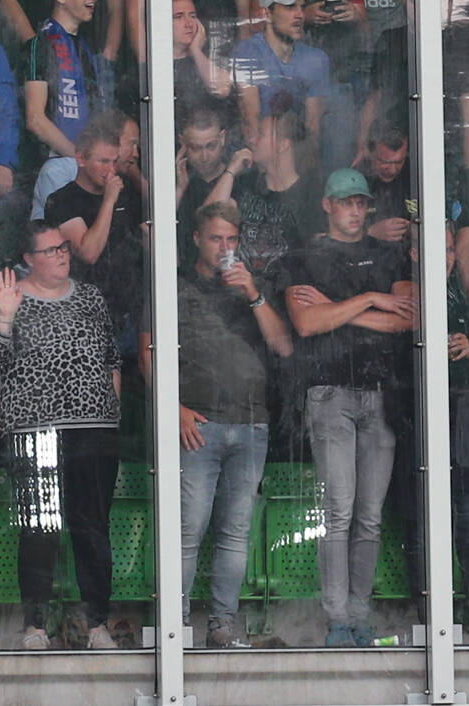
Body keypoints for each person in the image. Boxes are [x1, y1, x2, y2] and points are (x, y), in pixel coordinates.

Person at [0, 229, 125, 650]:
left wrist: (110, 412)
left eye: (63, 247)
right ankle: (36, 627)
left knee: (92, 528)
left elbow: (112, 358)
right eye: (51, 250)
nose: (62, 255)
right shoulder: (9, 295)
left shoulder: (90, 297)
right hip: (34, 432)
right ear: (29, 258)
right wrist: (5, 316)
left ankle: (97, 626)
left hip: (94, 430)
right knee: (40, 529)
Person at [287, 167, 414, 647]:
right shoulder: (304, 257)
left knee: (369, 516)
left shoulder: (388, 254)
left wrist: (339, 310)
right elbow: (305, 324)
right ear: (327, 205)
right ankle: (337, 619)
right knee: (339, 510)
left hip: (381, 393)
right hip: (329, 392)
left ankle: (358, 616)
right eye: (346, 203)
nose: (355, 211)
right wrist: (370, 300)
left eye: (361, 203)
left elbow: (408, 320)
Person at [172, 199, 290, 650]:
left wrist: (253, 293)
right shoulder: (175, 284)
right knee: (189, 529)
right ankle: (177, 627)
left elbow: (282, 347)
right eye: (216, 238)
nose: (224, 248)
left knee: (236, 532)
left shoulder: (253, 285)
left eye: (232, 239)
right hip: (198, 421)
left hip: (251, 422)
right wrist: (174, 407)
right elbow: (148, 352)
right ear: (197, 239)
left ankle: (222, 626)